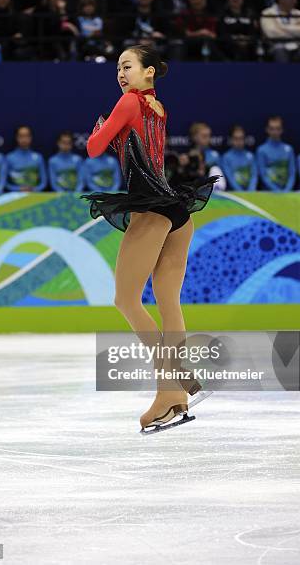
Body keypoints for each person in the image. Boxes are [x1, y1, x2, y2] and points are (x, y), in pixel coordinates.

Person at [80, 44, 220, 431]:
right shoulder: (159, 108)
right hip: (177, 210)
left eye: (128, 66)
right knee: (168, 301)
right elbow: (136, 149)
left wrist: (99, 129)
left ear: (149, 72)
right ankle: (176, 390)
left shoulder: (128, 103)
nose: (121, 74)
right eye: (118, 68)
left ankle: (169, 387)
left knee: (125, 299)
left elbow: (93, 149)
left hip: (152, 211)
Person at [256, 115, 296, 191]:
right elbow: (263, 175)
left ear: (282, 130)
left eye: (278, 129)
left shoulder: (289, 149)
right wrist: (276, 191)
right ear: (267, 130)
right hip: (268, 193)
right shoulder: (261, 150)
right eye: (272, 129)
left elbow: (292, 174)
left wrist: (287, 190)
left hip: (287, 192)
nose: (275, 132)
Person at [6, 125, 47, 191]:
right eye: (21, 136)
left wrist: (34, 189)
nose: (24, 139)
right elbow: (5, 183)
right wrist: (18, 189)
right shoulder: (9, 158)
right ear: (17, 138)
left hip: (35, 196)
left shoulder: (38, 157)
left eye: (27, 136)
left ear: (30, 137)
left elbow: (44, 183)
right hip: (15, 197)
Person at [221, 125, 258, 191]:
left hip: (250, 193)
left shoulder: (250, 156)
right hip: (234, 195)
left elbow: (254, 176)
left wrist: (251, 191)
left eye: (241, 138)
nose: (239, 142)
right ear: (231, 140)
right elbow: (230, 178)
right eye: (236, 138)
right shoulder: (226, 158)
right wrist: (241, 193)